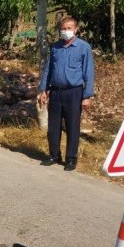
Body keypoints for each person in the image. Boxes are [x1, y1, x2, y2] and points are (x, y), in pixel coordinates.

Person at [37, 16, 95, 171]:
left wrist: (87, 96)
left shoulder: (83, 47)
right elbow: (48, 69)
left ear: (76, 29)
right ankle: (54, 155)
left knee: (72, 126)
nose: (66, 31)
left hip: (74, 92)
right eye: (63, 28)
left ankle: (71, 158)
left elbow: (89, 72)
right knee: (53, 127)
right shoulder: (56, 47)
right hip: (56, 92)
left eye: (69, 28)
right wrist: (44, 90)